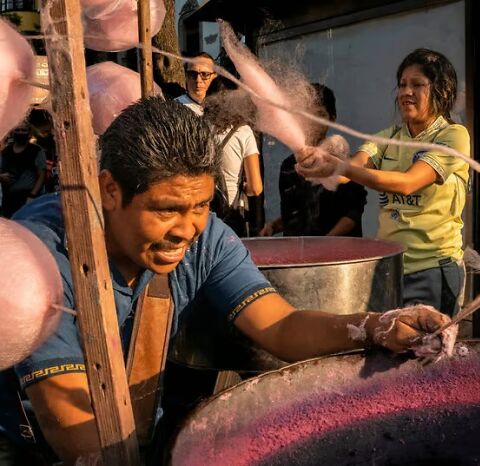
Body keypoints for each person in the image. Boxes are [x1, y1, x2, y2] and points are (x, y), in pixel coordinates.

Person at [0, 97, 450, 464]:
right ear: (110, 190)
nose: (186, 229)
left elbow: (281, 327)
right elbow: (78, 437)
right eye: (166, 209)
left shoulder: (207, 236)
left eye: (200, 205)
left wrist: (376, 325)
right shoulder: (41, 256)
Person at [296, 48, 470, 316]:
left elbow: (408, 183)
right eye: (402, 85)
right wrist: (320, 166)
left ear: (442, 91)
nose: (405, 92)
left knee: (430, 352)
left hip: (434, 268)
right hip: (391, 266)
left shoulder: (453, 136)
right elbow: (350, 170)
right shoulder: (387, 138)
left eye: (417, 84)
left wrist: (339, 167)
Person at [261, 84, 367, 237]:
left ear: (332, 118)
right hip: (299, 255)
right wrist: (273, 226)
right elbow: (294, 215)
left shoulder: (347, 164)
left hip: (339, 254)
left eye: (320, 115)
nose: (313, 121)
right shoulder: (288, 165)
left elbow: (353, 215)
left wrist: (323, 244)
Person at [203, 77, 263, 236]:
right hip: (231, 213)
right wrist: (244, 187)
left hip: (201, 213)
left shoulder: (198, 128)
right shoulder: (244, 133)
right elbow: (256, 188)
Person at [0, 123, 47, 217]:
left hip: (28, 201)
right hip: (8, 201)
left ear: (29, 133)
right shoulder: (5, 152)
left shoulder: (36, 151)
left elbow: (41, 175)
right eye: (17, 130)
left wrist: (32, 195)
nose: (20, 132)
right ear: (12, 132)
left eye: (23, 130)